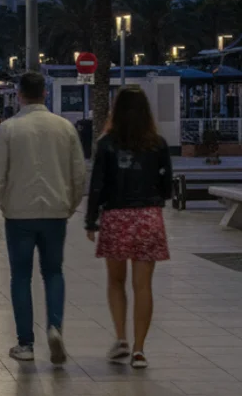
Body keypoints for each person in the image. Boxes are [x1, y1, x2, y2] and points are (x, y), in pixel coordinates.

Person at [0, 71, 86, 364]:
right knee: (53, 272)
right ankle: (54, 327)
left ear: (19, 95)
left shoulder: (9, 129)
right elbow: (79, 174)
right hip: (55, 213)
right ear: (45, 93)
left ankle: (25, 344)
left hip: (19, 215)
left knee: (21, 277)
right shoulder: (64, 128)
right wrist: (69, 205)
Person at [86, 86, 173, 370]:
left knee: (116, 281)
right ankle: (139, 350)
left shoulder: (107, 142)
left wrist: (90, 221)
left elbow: (97, 184)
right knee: (143, 285)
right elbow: (167, 187)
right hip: (148, 217)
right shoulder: (158, 143)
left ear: (116, 110)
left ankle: (121, 338)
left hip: (116, 216)